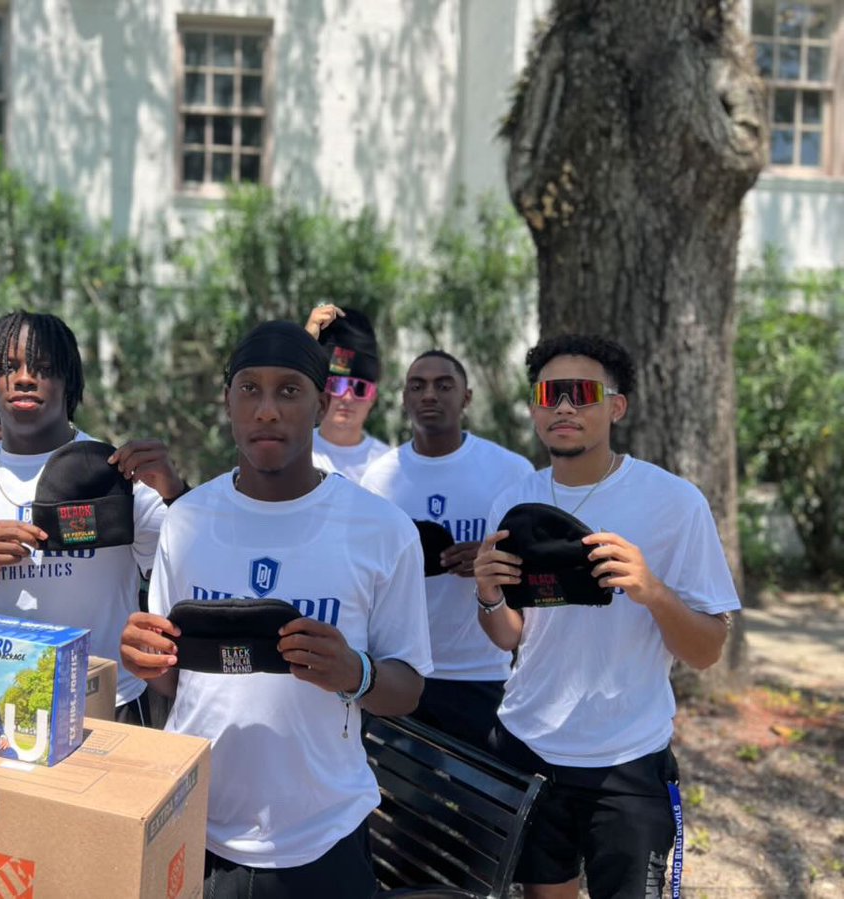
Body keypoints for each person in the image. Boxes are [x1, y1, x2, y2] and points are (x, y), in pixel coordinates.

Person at [121, 320, 432, 899]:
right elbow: (174, 683)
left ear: (320, 404)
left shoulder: (380, 528)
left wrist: (354, 673)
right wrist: (147, 659)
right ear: (228, 403)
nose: (266, 410)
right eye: (249, 390)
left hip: (324, 831)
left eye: (289, 390)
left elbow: (408, 687)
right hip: (199, 823)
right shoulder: (187, 520)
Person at [473, 334, 739, 899]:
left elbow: (709, 649)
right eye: (551, 393)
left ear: (615, 407)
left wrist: (653, 592)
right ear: (534, 409)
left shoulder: (674, 503)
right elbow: (511, 638)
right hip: (529, 743)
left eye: (582, 394)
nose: (565, 407)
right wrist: (489, 596)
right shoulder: (511, 501)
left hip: (628, 758)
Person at [0, 311, 187, 725]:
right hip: (2, 713)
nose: (24, 378)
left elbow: (192, 571)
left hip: (110, 703)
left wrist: (174, 492)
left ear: (68, 381)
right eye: (8, 367)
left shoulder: (114, 472)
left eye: (44, 369)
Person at [360, 350, 533, 748]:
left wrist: (490, 563)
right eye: (417, 386)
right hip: (402, 669)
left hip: (482, 671)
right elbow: (366, 574)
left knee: (483, 805)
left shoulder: (510, 472)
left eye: (444, 385)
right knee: (403, 803)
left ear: (467, 397)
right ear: (404, 399)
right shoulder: (378, 478)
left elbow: (531, 567)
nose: (429, 395)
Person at [303, 304, 390, 480]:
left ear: (373, 397)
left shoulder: (390, 467)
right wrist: (304, 345)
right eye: (336, 385)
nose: (347, 397)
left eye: (360, 388)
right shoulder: (293, 451)